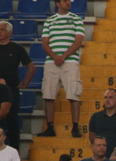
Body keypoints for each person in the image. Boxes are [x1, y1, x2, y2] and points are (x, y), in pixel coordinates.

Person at [0, 21, 35, 149]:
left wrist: (24, 83)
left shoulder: (17, 49)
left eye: (2, 29)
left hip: (11, 90)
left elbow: (31, 67)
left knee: (12, 121)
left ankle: (15, 152)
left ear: (10, 32)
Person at [37, 0, 83, 138]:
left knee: (73, 94)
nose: (68, 3)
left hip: (69, 61)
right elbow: (44, 43)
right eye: (64, 0)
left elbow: (79, 41)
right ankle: (50, 127)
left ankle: (75, 127)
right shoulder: (49, 21)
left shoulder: (76, 19)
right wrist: (55, 56)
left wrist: (62, 56)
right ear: (57, 3)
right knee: (48, 94)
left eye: (69, 1)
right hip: (52, 61)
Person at [89, 90, 116, 158]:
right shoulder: (95, 117)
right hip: (100, 156)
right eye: (106, 97)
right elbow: (92, 137)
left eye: (110, 97)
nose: (107, 100)